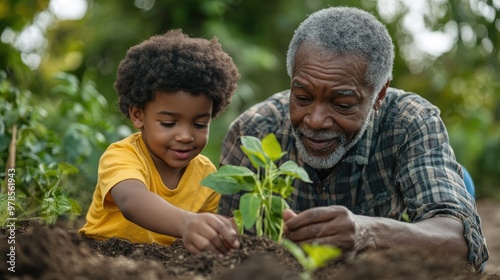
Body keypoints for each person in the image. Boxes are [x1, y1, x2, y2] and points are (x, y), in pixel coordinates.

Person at [218, 6, 489, 271]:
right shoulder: (254, 130)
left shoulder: (409, 121)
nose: (314, 120)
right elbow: (224, 246)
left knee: (452, 195)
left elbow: (461, 242)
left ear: (379, 95)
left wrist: (368, 232)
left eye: (342, 104)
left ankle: (457, 183)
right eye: (302, 98)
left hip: (402, 228)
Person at [79, 29, 241, 255]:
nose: (185, 136)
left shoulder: (206, 175)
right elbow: (131, 201)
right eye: (168, 123)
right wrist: (186, 223)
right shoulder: (123, 155)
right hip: (101, 259)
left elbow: (212, 229)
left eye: (199, 124)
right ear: (138, 115)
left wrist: (260, 221)